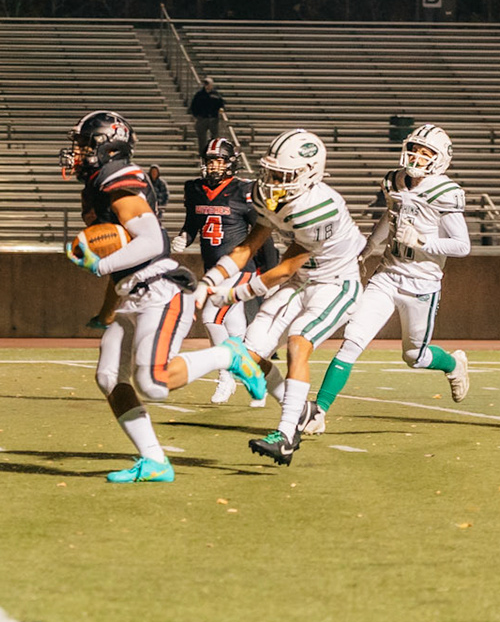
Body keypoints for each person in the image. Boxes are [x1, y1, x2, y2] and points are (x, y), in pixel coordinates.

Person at [61, 111, 266, 485]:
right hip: (132, 293)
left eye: (85, 144)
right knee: (109, 377)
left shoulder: (116, 180)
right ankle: (155, 461)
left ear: (108, 147)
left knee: (153, 383)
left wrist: (100, 264)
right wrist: (106, 313)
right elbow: (124, 264)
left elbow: (152, 242)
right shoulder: (99, 184)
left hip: (159, 290)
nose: (77, 152)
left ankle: (229, 355)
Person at [198, 129, 368, 466]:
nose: (273, 181)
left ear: (309, 174)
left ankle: (287, 435)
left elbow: (286, 268)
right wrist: (210, 280)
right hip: (302, 281)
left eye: (283, 176)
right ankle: (301, 410)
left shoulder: (318, 208)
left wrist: (233, 294)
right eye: (271, 172)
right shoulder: (269, 195)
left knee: (298, 343)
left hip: (335, 283)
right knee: (247, 357)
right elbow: (249, 246)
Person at [304, 123, 472, 440]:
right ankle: (319, 412)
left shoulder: (444, 192)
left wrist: (422, 241)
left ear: (439, 159)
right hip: (388, 275)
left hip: (421, 285)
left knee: (415, 357)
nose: (416, 158)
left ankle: (452, 364)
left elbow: (462, 246)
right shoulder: (395, 180)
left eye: (425, 153)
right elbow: (391, 214)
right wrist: (369, 247)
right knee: (352, 340)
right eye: (414, 150)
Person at [174, 137, 279, 406]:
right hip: (214, 269)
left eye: (220, 161)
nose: (214, 166)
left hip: (240, 269)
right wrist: (184, 237)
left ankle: (226, 375)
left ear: (231, 163)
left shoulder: (244, 190)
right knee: (234, 326)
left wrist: (272, 273)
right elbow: (192, 223)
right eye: (211, 161)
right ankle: (255, 379)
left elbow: (264, 235)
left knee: (211, 317)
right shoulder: (195, 189)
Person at [187, 77, 227, 152]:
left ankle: (213, 152)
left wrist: (220, 110)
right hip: (202, 118)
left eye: (208, 84)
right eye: (205, 84)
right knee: (201, 137)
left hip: (213, 118)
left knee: (214, 136)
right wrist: (196, 115)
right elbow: (194, 105)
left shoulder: (216, 94)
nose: (206, 85)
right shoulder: (199, 94)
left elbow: (221, 104)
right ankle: (202, 152)